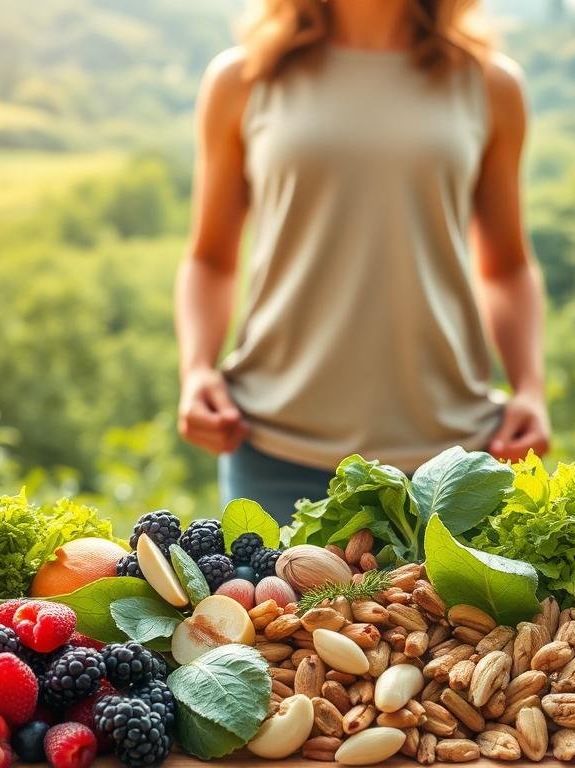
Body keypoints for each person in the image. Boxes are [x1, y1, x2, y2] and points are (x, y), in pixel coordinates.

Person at [175, 0, 548, 522]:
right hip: (274, 447)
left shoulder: (489, 85)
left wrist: (531, 388)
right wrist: (195, 370)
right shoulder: (244, 79)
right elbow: (210, 260)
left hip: (448, 461)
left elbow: (507, 267)